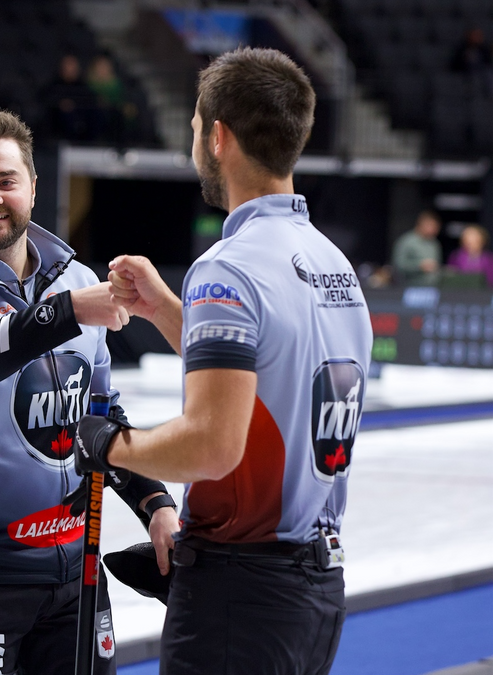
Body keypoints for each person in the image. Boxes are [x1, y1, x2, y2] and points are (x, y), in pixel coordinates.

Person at [74, 47, 373, 674]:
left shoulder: (228, 268)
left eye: (193, 129)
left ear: (217, 137)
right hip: (315, 590)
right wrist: (164, 310)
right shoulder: (333, 264)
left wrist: (109, 444)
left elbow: (212, 447)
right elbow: (264, 382)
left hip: (241, 589)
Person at [0, 103, 181, 675]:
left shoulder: (79, 282)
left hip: (76, 573)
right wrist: (65, 313)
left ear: (32, 186)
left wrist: (154, 503)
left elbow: (100, 418)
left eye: (6, 181)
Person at [392, 210, 442, 286]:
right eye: (430, 226)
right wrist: (419, 266)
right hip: (410, 287)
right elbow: (398, 265)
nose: (434, 230)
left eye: (436, 227)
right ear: (421, 225)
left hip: (432, 287)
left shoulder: (434, 243)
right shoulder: (407, 241)